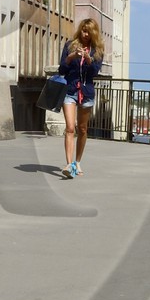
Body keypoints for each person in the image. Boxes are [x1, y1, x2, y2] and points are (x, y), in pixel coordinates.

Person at [57, 18, 105, 179]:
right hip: (70, 90)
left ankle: (77, 161)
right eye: (83, 30)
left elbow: (95, 72)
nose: (85, 34)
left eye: (89, 32)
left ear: (93, 33)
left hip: (87, 92)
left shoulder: (97, 50)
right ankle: (69, 165)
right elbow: (62, 69)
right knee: (70, 128)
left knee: (82, 129)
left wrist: (90, 60)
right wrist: (70, 57)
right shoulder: (70, 45)